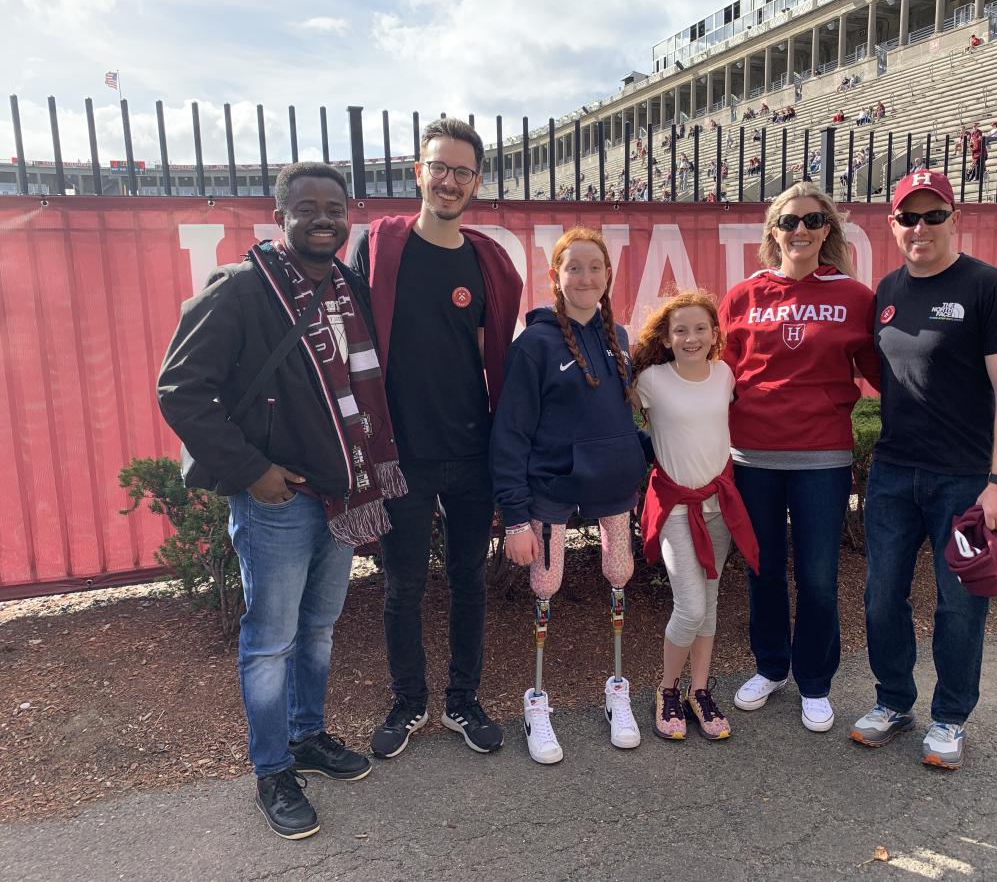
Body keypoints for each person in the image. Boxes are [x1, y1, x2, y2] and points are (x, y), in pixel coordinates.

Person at [158, 162, 406, 839]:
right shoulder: (241, 290)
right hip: (277, 498)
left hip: (342, 491)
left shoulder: (349, 287)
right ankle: (271, 767)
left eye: (334, 206)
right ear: (280, 215)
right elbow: (179, 389)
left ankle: (306, 738)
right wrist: (251, 469)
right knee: (270, 642)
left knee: (318, 628)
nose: (323, 217)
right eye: (307, 207)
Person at [352, 118, 523, 760]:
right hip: (404, 456)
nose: (449, 181)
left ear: (476, 182)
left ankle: (462, 700)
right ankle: (408, 701)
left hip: (472, 452)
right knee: (401, 586)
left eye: (463, 171)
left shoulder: (487, 262)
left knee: (468, 580)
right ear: (417, 172)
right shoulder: (379, 248)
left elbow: (496, 356)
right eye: (439, 168)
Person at [850, 170, 997, 770]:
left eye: (933, 216)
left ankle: (950, 717)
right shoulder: (887, 290)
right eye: (908, 217)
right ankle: (894, 702)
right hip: (895, 474)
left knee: (959, 606)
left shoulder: (989, 287)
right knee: (881, 597)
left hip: (966, 479)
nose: (920, 228)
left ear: (956, 219)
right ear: (892, 225)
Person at [719, 182, 881, 733]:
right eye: (789, 222)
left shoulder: (855, 297)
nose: (800, 231)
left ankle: (814, 681)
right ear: (773, 231)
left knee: (816, 576)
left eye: (813, 221)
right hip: (753, 456)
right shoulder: (743, 296)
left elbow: (886, 373)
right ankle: (770, 667)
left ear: (828, 230)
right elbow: (719, 372)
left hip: (822, 456)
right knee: (763, 570)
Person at [491, 227, 648, 765]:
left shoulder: (618, 337)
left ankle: (617, 694)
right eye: (573, 267)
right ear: (555, 277)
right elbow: (509, 434)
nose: (585, 278)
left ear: (608, 276)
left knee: (620, 575)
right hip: (550, 491)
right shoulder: (533, 344)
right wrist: (515, 518)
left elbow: (619, 418)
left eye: (595, 268)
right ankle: (537, 703)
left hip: (612, 488)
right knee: (547, 582)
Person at [633, 292, 759, 742]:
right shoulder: (650, 380)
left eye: (700, 329)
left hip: (718, 508)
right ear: (666, 338)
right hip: (674, 509)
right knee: (690, 608)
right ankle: (666, 690)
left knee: (709, 605)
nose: (691, 338)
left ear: (714, 334)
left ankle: (699, 691)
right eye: (680, 330)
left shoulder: (725, 374)